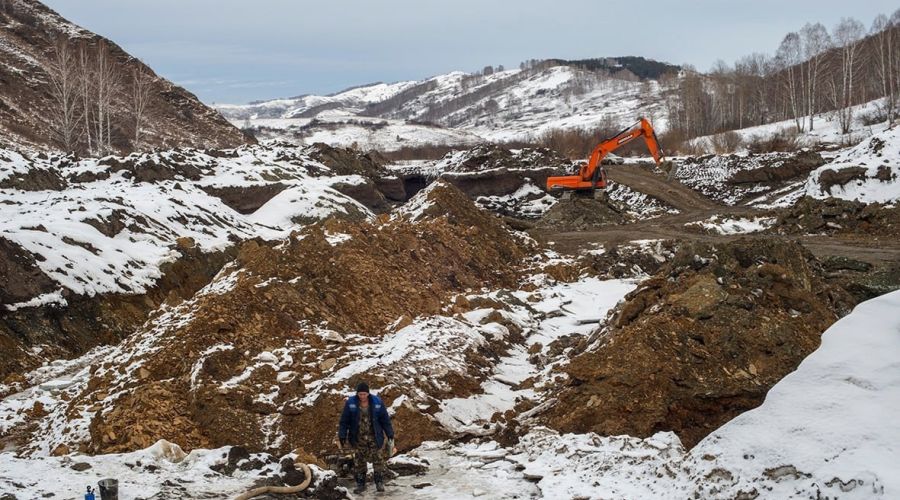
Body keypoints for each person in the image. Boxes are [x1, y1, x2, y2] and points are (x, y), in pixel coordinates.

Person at [338, 382, 395, 493]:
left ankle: (379, 482)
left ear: (368, 393)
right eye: (360, 394)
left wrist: (389, 433)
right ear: (357, 393)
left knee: (378, 459)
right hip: (358, 437)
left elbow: (385, 419)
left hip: (374, 436)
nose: (362, 396)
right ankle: (361, 484)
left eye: (364, 394)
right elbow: (344, 421)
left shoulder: (377, 402)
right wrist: (342, 435)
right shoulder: (351, 403)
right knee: (359, 461)